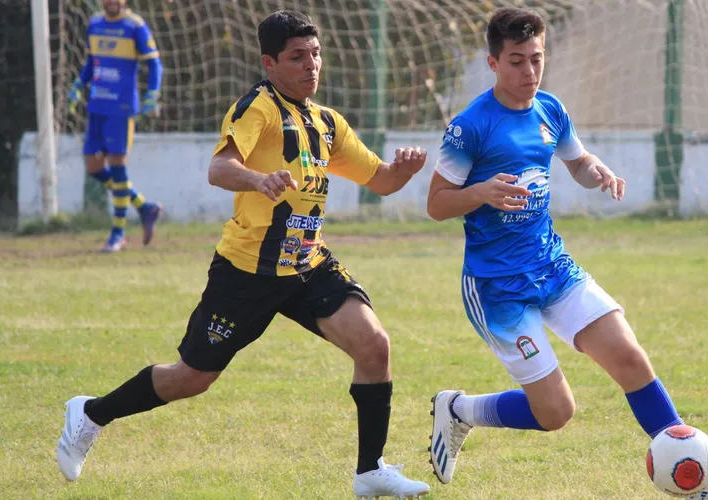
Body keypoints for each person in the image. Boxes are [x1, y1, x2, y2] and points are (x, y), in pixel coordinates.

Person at [57, 10, 431, 499]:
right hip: (247, 271)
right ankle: (90, 413)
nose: (311, 65)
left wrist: (404, 169)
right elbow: (219, 168)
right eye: (298, 57)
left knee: (374, 346)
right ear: (269, 63)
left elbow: (380, 181)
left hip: (306, 263)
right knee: (192, 378)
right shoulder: (257, 107)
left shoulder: (326, 122)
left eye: (315, 54)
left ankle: (370, 471)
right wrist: (258, 179)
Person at [425, 8, 708, 499]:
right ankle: (458, 410)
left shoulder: (549, 109)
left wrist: (595, 170)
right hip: (497, 286)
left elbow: (575, 160)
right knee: (556, 413)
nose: (529, 73)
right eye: (516, 61)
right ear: (493, 63)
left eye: (537, 59)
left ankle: (696, 479)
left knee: (628, 356)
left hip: (552, 265)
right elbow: (435, 204)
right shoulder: (470, 127)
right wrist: (481, 192)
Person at [66, 0, 164, 253]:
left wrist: (152, 94)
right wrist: (78, 86)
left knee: (117, 167)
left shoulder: (135, 26)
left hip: (121, 108)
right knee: (93, 166)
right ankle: (144, 207)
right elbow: (91, 63)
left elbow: (154, 63)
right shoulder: (95, 24)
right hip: (97, 104)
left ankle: (117, 234)